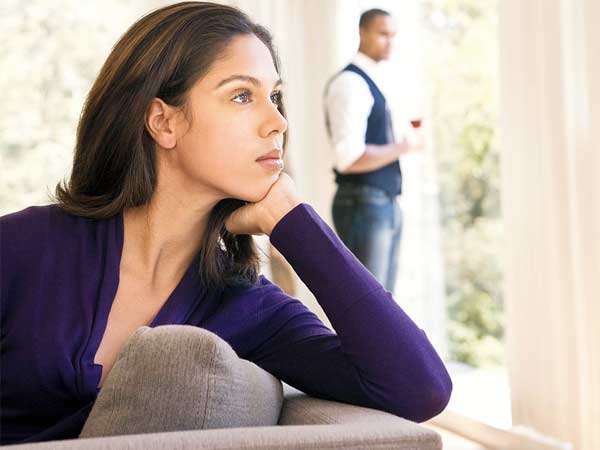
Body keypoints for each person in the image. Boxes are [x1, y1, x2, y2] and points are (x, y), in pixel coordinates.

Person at [0, 2, 451, 445]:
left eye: (275, 97)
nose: (277, 122)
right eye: (242, 96)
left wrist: (293, 221)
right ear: (163, 122)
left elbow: (420, 388)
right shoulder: (23, 247)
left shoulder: (243, 305)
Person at [324, 8, 423, 292]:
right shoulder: (350, 83)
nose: (389, 42)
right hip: (363, 204)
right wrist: (404, 147)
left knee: (382, 302)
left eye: (393, 35)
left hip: (382, 202)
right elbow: (348, 158)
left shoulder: (373, 80)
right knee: (369, 303)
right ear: (362, 33)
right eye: (382, 34)